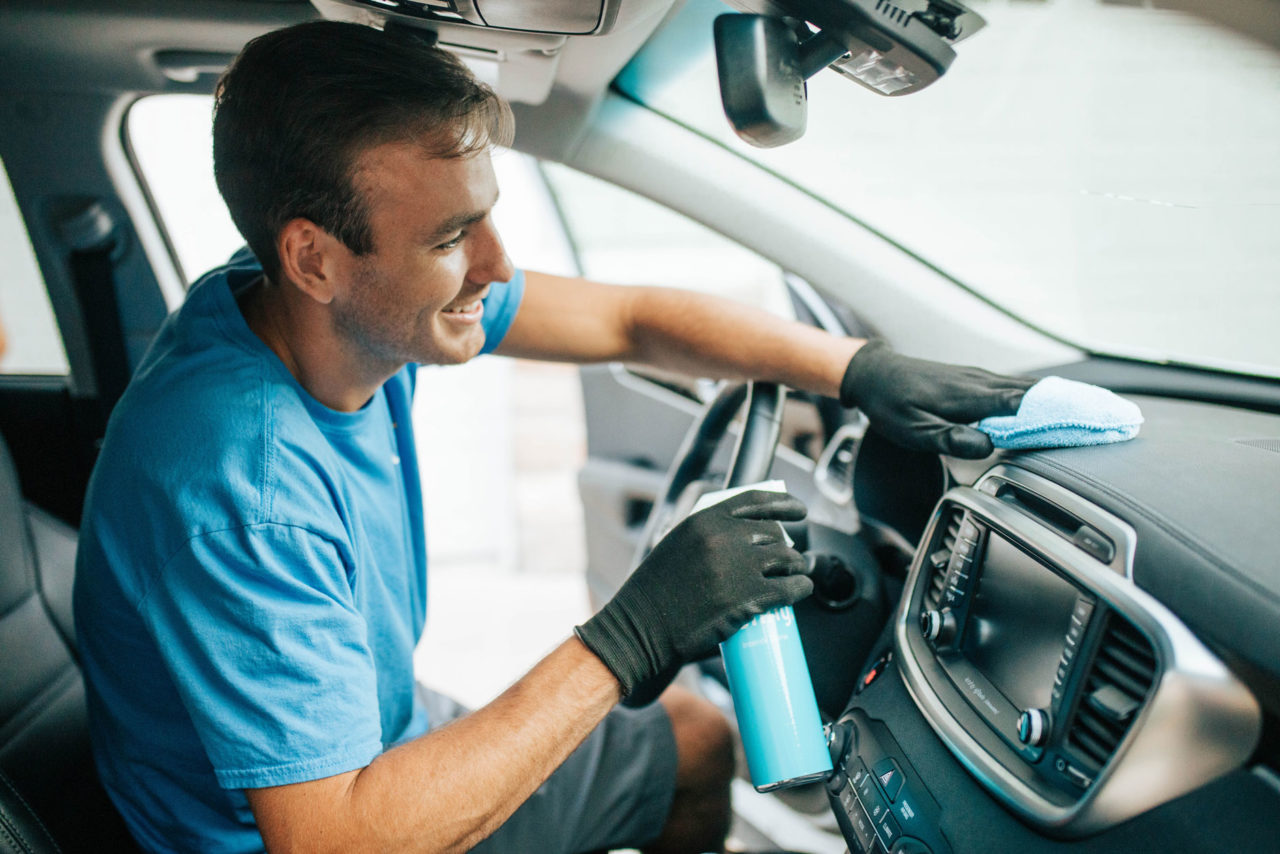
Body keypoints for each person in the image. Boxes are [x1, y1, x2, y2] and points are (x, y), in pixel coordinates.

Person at [73, 20, 1033, 854]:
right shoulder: (246, 492)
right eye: (452, 238)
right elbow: (334, 840)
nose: (496, 265)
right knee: (696, 747)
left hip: (366, 741)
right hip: (269, 833)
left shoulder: (315, 302)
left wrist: (855, 370)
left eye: (486, 217)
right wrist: (631, 635)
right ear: (313, 256)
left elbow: (632, 319)